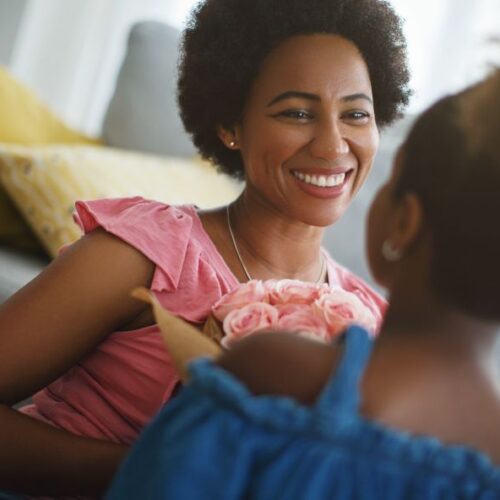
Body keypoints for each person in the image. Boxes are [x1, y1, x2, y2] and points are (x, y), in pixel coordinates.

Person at [0, 0, 410, 497]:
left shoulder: (375, 325)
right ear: (229, 126)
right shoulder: (144, 254)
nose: (332, 144)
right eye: (297, 113)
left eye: (356, 114)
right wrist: (160, 471)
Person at [106, 69, 500, 499]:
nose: (332, 145)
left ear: (405, 222)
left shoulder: (274, 371)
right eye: (297, 112)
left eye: (392, 175)